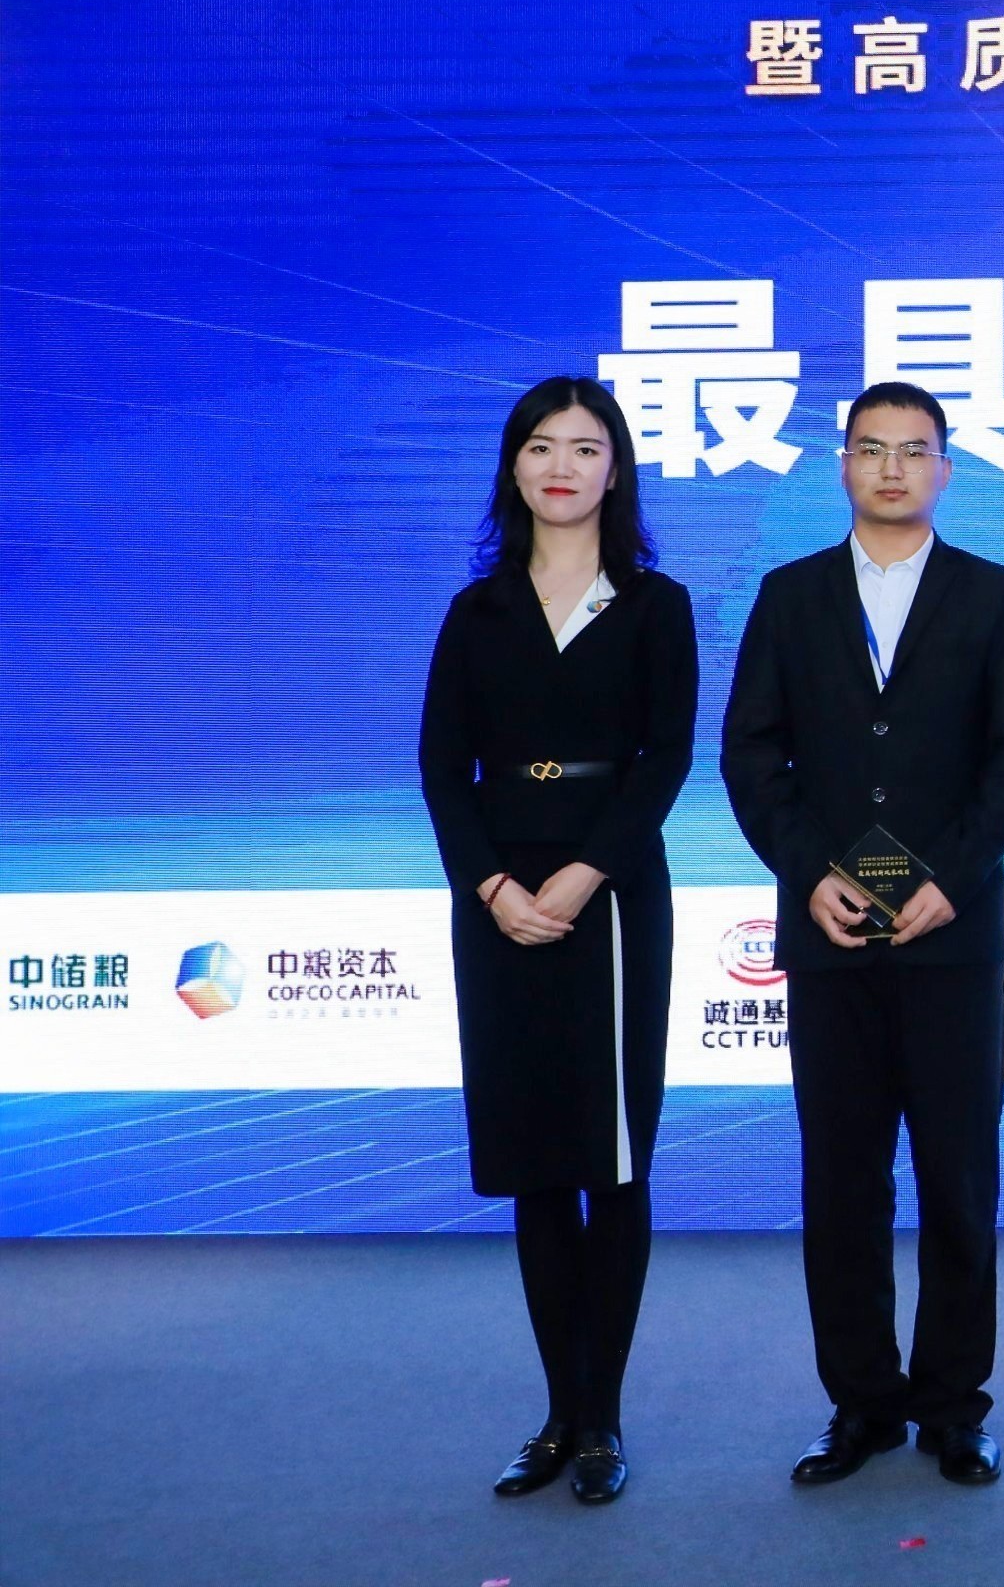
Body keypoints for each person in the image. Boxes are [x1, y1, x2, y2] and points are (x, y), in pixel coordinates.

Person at [721, 382, 1004, 1489]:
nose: (894, 468)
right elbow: (751, 754)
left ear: (946, 469)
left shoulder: (996, 595)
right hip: (829, 938)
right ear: (844, 466)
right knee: (842, 1182)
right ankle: (860, 1402)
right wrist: (806, 870)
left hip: (950, 937)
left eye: (916, 450)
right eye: (873, 449)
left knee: (959, 1178)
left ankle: (954, 1404)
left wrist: (953, 878)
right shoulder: (790, 595)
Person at [420, 375, 696, 1507]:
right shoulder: (476, 610)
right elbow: (444, 768)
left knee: (610, 1163)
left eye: (586, 447)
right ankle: (557, 1413)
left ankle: (605, 1421)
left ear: (615, 469)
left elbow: (665, 759)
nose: (562, 467)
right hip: (497, 903)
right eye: (541, 446)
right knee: (537, 1165)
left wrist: (583, 876)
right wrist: (493, 885)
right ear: (514, 466)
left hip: (611, 895)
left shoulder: (654, 604)